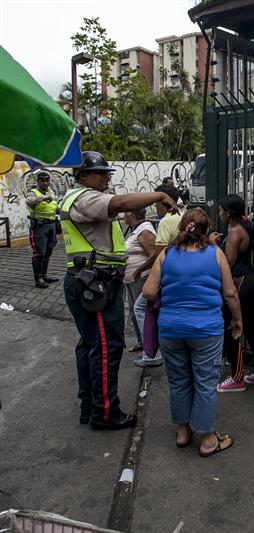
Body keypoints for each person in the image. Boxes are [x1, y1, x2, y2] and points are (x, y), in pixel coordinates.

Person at [59, 150, 177, 430]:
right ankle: (105, 413)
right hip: (95, 284)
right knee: (105, 347)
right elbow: (121, 202)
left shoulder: (79, 198)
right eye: (100, 173)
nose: (107, 178)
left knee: (90, 344)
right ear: (82, 176)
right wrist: (159, 195)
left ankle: (90, 406)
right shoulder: (85, 198)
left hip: (91, 281)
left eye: (107, 173)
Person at [142, 209, 242, 457]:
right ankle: (207, 439)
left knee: (178, 381)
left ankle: (183, 431)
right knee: (205, 383)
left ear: (182, 228)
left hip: (170, 329)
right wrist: (237, 319)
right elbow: (230, 293)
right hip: (206, 330)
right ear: (207, 230)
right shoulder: (215, 253)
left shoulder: (167, 254)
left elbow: (148, 291)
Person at [211, 194, 254, 392]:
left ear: (228, 213)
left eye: (221, 210)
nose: (220, 213)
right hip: (251, 280)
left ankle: (237, 379)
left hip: (240, 283)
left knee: (232, 328)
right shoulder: (246, 226)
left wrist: (213, 246)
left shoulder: (235, 232)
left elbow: (226, 265)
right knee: (251, 329)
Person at [131, 184, 183, 367]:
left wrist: (140, 271)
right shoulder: (182, 215)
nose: (155, 206)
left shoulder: (166, 221)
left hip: (167, 275)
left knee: (140, 308)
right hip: (181, 274)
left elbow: (158, 255)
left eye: (156, 202)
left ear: (162, 202)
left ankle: (151, 353)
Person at [122, 209, 156, 352]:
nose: (123, 216)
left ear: (132, 216)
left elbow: (154, 255)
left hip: (140, 278)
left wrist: (138, 270)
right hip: (131, 279)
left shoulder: (144, 231)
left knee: (141, 311)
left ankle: (150, 347)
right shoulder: (135, 229)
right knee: (133, 311)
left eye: (125, 214)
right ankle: (141, 342)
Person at [26, 170, 60, 288]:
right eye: (42, 181)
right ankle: (38, 279)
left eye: (47, 180)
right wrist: (43, 198)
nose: (45, 183)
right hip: (39, 227)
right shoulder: (33, 193)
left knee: (48, 251)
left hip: (52, 226)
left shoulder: (51, 192)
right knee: (39, 252)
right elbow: (29, 202)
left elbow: (54, 208)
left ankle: (44, 275)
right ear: (38, 182)